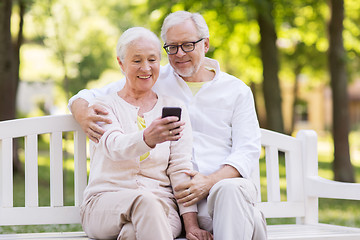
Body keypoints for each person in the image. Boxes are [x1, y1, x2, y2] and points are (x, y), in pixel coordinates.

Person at [70, 11, 267, 240]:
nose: (180, 54)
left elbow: (248, 151)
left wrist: (209, 182)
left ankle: (248, 218)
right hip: (179, 202)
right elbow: (90, 95)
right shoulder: (152, 76)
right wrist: (82, 112)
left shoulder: (237, 90)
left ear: (205, 44)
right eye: (172, 47)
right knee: (136, 228)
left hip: (223, 190)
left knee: (230, 192)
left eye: (187, 45)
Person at [79, 26, 212, 240]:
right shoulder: (103, 105)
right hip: (105, 204)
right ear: (121, 63)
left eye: (152, 60)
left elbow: (180, 169)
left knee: (133, 233)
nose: (146, 68)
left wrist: (191, 227)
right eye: (137, 60)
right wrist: (147, 138)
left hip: (162, 209)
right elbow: (115, 146)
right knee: (145, 200)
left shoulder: (174, 108)